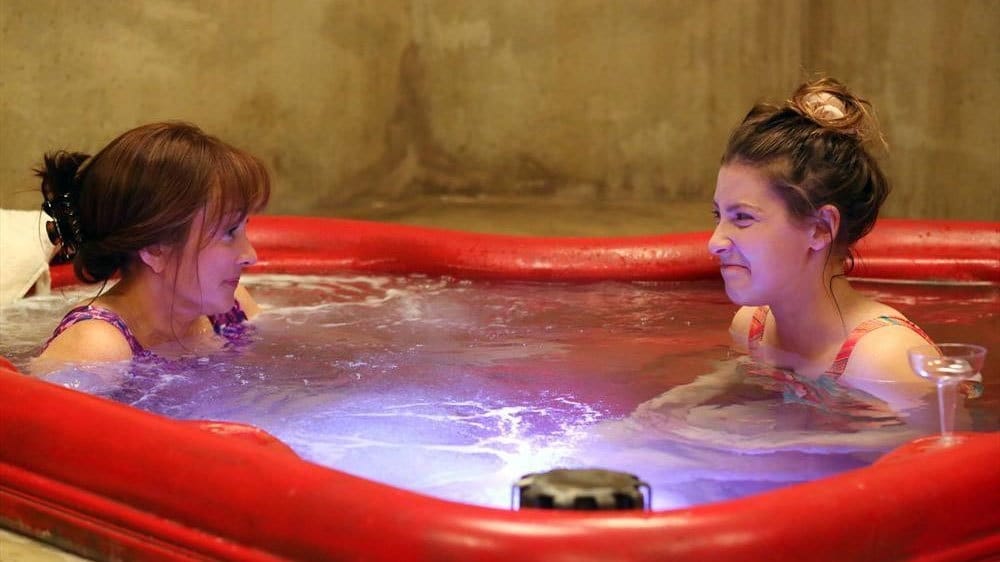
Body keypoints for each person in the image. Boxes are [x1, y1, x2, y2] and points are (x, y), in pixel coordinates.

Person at [708, 77, 936, 407]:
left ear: (820, 228)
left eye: (742, 217)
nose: (714, 242)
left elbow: (947, 441)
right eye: (718, 215)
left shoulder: (890, 362)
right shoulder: (752, 328)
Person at [30, 122, 270, 375]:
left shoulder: (230, 307)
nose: (251, 256)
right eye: (229, 232)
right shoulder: (96, 347)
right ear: (155, 249)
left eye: (244, 227)